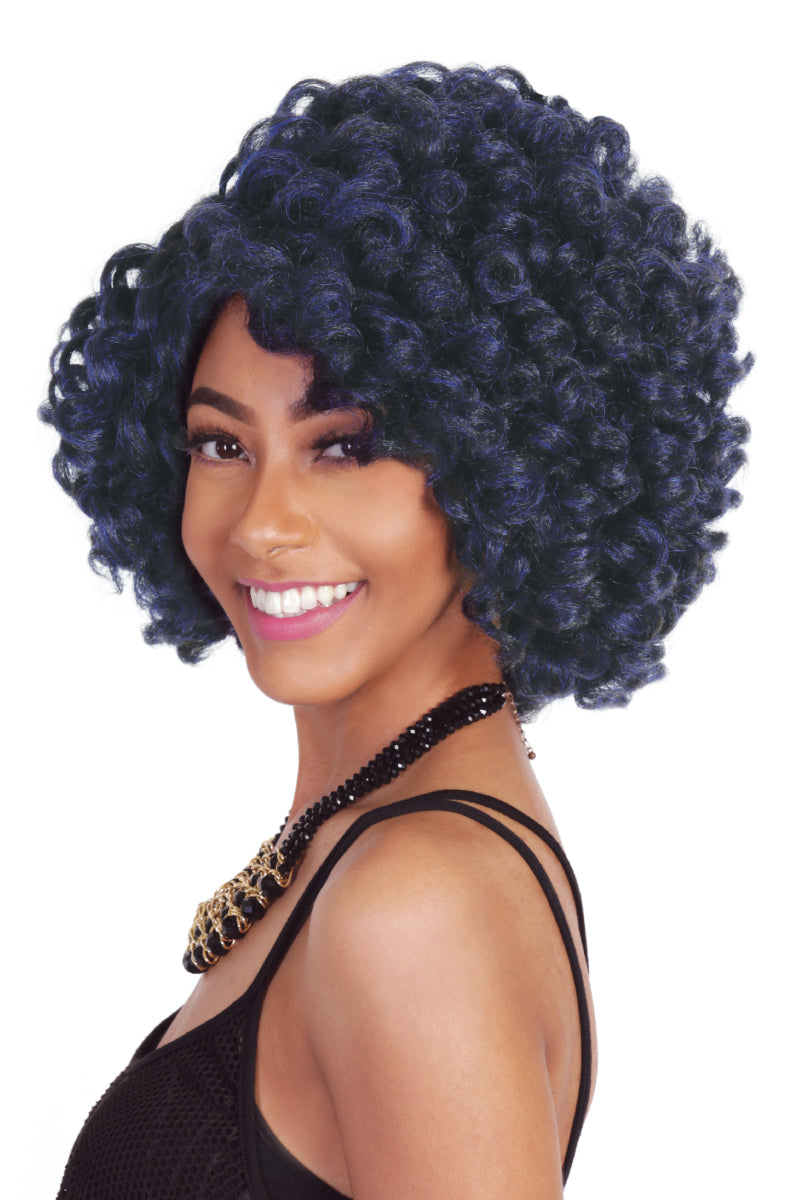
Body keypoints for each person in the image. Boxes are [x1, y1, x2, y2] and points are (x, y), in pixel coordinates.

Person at [41, 62, 750, 1199]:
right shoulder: (369, 839)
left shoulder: (414, 901)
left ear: (504, 470)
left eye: (344, 446)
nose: (261, 524)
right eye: (223, 444)